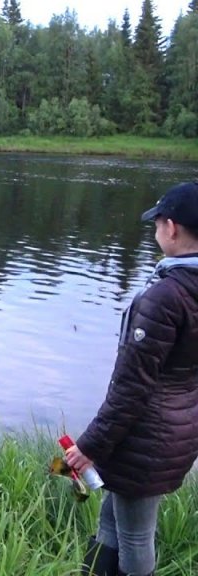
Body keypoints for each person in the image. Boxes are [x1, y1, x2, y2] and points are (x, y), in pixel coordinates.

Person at [66, 181, 198, 576]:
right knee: (111, 521)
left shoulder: (166, 296)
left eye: (157, 223)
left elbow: (132, 387)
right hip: (177, 429)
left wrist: (88, 446)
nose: (156, 231)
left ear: (171, 228)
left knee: (137, 536)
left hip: (145, 437)